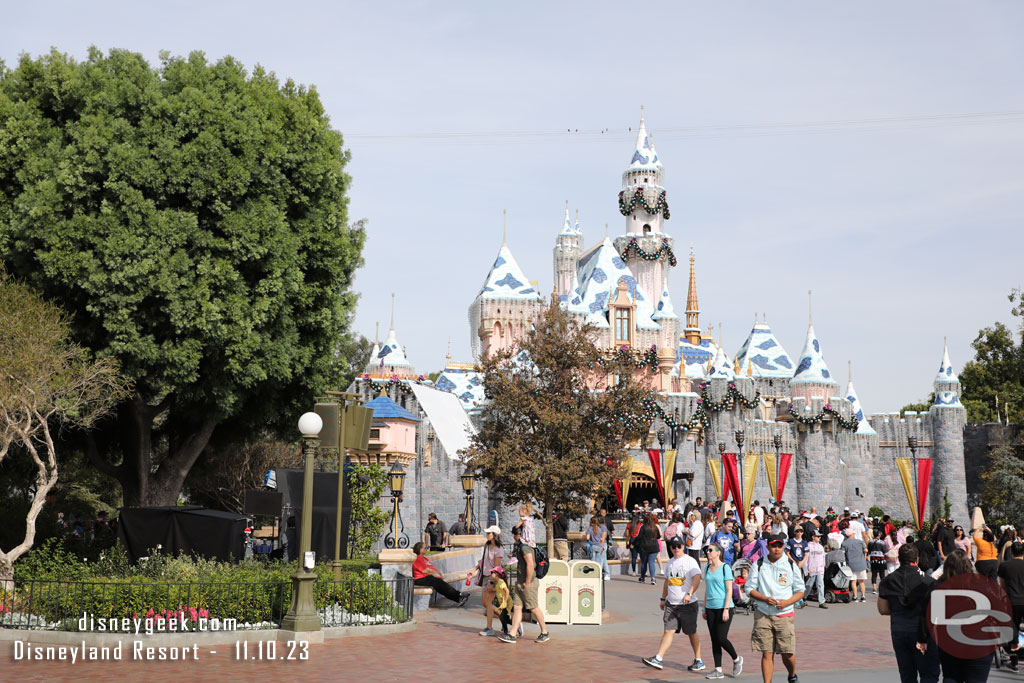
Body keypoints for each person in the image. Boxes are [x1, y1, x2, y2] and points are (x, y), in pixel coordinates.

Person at [745, 534, 805, 683]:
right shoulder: (759, 564)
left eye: (779, 546)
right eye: (773, 546)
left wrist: (787, 602)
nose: (776, 549)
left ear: (784, 546)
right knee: (766, 653)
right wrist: (764, 598)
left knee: (787, 653)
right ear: (767, 547)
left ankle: (792, 675)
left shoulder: (790, 564)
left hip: (784, 614)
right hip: (763, 613)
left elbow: (800, 591)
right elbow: (749, 588)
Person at [877, 543, 940, 683]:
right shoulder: (928, 581)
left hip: (899, 630)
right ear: (917, 559)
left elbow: (883, 609)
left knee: (907, 674)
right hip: (922, 632)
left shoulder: (888, 580)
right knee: (929, 673)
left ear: (899, 559)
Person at [642, 536, 705, 673]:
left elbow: (697, 578)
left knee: (691, 632)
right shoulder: (670, 562)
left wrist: (689, 593)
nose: (676, 548)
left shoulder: (690, 561)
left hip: (687, 604)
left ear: (684, 546)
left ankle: (699, 660)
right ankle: (658, 658)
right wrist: (663, 598)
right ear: (670, 548)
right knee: (668, 630)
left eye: (679, 546)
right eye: (673, 546)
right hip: (672, 604)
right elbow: (667, 581)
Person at [933, 550, 993, 680]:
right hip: (979, 643)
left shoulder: (939, 587)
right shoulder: (983, 586)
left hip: (950, 641)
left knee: (951, 677)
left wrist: (924, 637)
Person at [498, 524, 550, 643]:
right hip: (520, 582)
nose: (513, 536)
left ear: (519, 535)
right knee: (517, 607)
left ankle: (544, 632)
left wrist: (527, 582)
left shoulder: (525, 548)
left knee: (533, 607)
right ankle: (512, 633)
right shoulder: (520, 546)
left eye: (515, 534)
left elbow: (531, 565)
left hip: (528, 583)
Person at [701, 542, 744, 679]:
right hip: (710, 608)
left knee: (721, 638)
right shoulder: (707, 568)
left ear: (718, 552)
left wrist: (726, 609)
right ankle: (718, 669)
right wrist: (704, 607)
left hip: (724, 607)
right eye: (707, 550)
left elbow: (729, 590)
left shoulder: (725, 568)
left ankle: (737, 659)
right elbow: (707, 589)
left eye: (710, 550)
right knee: (714, 640)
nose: (708, 552)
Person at [468, 525, 505, 635]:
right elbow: (483, 561)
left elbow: (497, 568)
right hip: (484, 576)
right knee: (485, 603)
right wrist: (473, 570)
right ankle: (508, 620)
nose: (487, 534)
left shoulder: (499, 549)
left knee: (488, 603)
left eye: (489, 533)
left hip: (492, 577)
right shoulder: (487, 546)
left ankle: (489, 628)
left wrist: (493, 583)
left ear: (494, 535)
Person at [412, 542, 469, 606]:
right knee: (439, 584)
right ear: (419, 549)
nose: (426, 549)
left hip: (429, 577)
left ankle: (458, 598)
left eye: (426, 548)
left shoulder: (424, 558)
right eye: (425, 548)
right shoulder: (417, 558)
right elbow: (425, 570)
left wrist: (439, 574)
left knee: (441, 586)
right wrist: (436, 573)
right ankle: (459, 595)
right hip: (421, 579)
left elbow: (432, 569)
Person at [998, 541, 1024, 671]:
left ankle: (1014, 660)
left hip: (1012, 600)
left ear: (1011, 552)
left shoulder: (1004, 566)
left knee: (1012, 625)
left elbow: (1002, 586)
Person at [482, 566, 513, 637]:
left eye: (492, 573)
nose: (491, 574)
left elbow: (507, 591)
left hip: (507, 603)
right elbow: (499, 590)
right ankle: (512, 627)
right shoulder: (498, 582)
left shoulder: (501, 582)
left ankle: (514, 627)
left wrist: (505, 600)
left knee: (503, 617)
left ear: (497, 574)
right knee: (504, 618)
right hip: (503, 603)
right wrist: (492, 590)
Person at [842, 527, 869, 602]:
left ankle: (855, 596)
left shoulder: (844, 543)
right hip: (861, 563)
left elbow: (843, 553)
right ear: (853, 534)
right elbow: (865, 550)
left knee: (853, 581)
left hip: (851, 564)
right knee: (861, 581)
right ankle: (863, 596)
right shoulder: (859, 541)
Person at [636, 514, 662, 584]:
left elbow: (639, 537)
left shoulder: (643, 527)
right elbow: (659, 536)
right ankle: (653, 578)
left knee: (644, 563)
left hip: (644, 547)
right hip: (654, 547)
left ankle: (642, 578)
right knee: (651, 562)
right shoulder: (655, 527)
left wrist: (633, 543)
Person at [805, 530, 828, 609]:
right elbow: (806, 558)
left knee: (820, 585)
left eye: (820, 536)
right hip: (811, 569)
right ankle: (803, 597)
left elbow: (823, 557)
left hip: (820, 569)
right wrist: (806, 568)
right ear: (813, 537)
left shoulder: (821, 547)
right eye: (818, 536)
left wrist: (823, 566)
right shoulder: (808, 546)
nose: (819, 538)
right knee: (809, 585)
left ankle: (821, 601)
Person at [588, 514, 610, 581]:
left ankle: (606, 574)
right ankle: (601, 574)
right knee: (601, 560)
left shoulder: (602, 526)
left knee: (602, 560)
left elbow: (603, 537)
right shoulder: (600, 526)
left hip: (602, 544)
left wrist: (602, 545)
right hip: (600, 544)